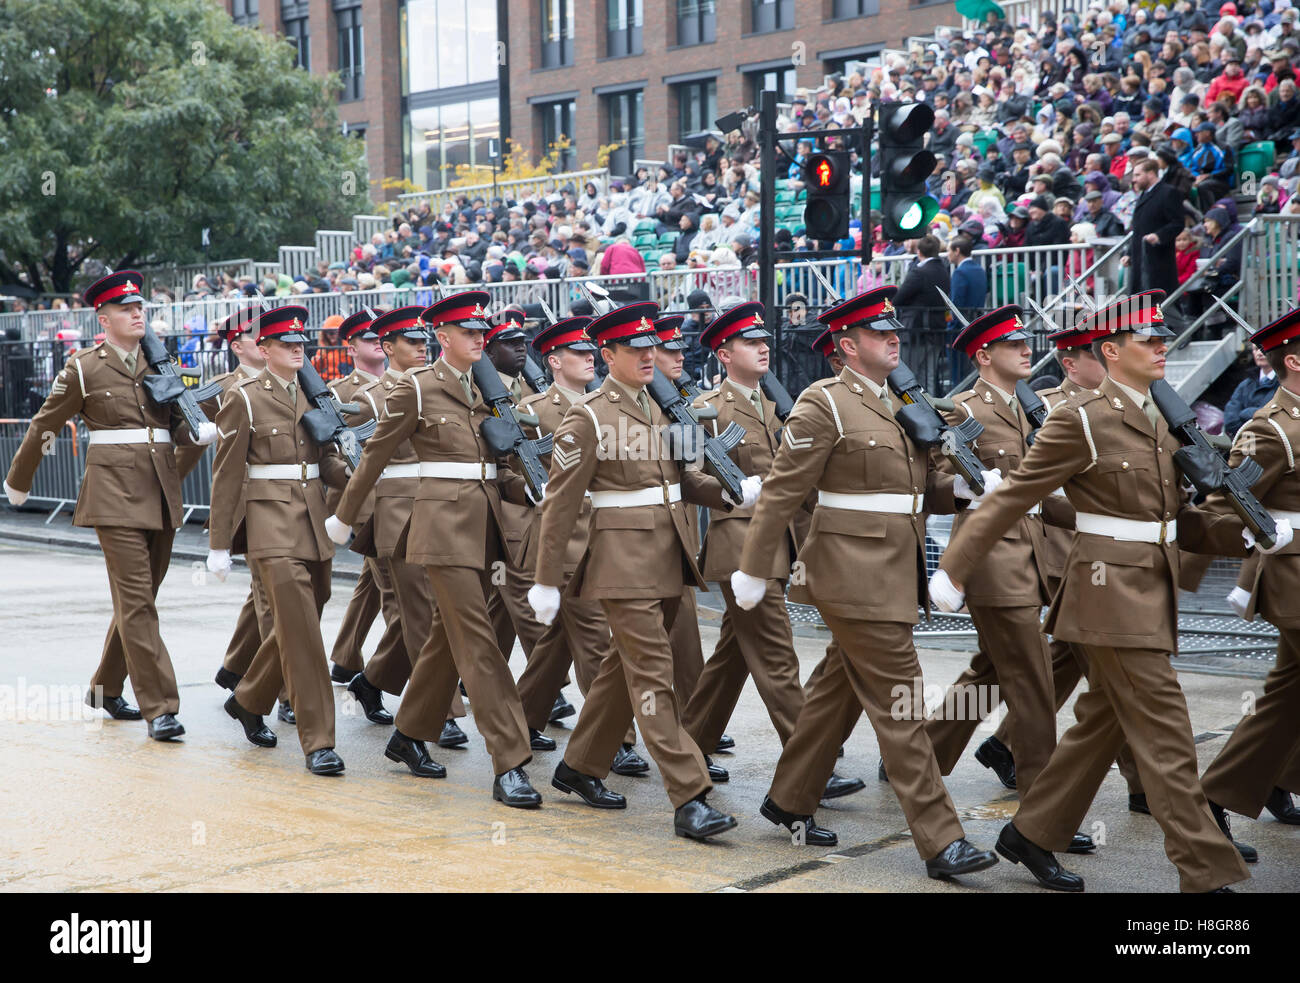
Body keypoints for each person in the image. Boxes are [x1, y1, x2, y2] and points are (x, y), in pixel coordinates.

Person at [930, 290, 1269, 893]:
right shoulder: (1080, 417)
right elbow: (1013, 495)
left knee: (1102, 723)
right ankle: (1206, 875)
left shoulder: (1162, 414)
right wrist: (953, 569)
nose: (1164, 346)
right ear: (1111, 351)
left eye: (1164, 337)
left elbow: (1174, 520)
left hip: (1149, 588)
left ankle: (1032, 834)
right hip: (1109, 594)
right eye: (1149, 339)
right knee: (1167, 738)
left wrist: (1239, 531)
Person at [732, 286, 1004, 880]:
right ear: (848, 347)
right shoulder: (822, 402)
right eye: (880, 334)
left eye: (894, 331)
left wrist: (954, 488)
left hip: (893, 569)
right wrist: (753, 569)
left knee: (836, 691)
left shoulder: (903, 401)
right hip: (850, 574)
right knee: (901, 706)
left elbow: (911, 489)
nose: (894, 338)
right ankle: (941, 839)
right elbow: (782, 490)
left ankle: (790, 799)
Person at [528, 301, 757, 840]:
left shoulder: (662, 408)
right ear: (607, 354)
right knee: (654, 677)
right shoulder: (587, 417)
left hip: (668, 554)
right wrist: (545, 578)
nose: (649, 354)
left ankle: (580, 765)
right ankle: (690, 795)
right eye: (635, 348)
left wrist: (732, 491)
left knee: (619, 673)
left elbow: (683, 482)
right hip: (619, 563)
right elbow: (559, 504)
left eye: (651, 345)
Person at [325, 292, 542, 806]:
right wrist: (343, 518)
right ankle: (509, 760)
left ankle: (408, 733)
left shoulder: (492, 390)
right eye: (469, 332)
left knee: (448, 639)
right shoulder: (416, 390)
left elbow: (499, 466)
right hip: (440, 532)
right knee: (480, 644)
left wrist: (528, 487)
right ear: (442, 338)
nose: (479, 339)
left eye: (481, 332)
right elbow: (374, 456)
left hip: (488, 529)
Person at [4, 271, 217, 741]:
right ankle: (160, 707)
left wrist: (198, 432)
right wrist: (18, 482)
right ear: (103, 319)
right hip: (112, 495)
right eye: (126, 309)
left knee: (139, 601)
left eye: (140, 307)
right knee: (138, 601)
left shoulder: (161, 363)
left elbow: (174, 427)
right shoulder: (84, 367)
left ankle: (104, 689)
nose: (138, 313)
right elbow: (45, 425)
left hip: (161, 491)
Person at [919, 306, 1096, 854]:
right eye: (1012, 344)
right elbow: (930, 481)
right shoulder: (960, 409)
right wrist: (967, 490)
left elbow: (1042, 492)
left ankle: (921, 756)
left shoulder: (1029, 407)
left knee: (993, 671)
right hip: (992, 558)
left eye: (1026, 343)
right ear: (983, 355)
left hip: (1035, 553)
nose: (1026, 350)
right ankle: (1046, 816)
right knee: (1035, 685)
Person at [681, 302, 864, 800]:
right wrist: (731, 491)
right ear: (724, 353)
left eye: (765, 341)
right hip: (739, 540)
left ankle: (687, 747)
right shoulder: (700, 407)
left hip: (778, 540)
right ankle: (812, 766)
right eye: (750, 342)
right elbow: (683, 476)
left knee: (733, 658)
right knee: (777, 656)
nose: (764, 348)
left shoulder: (777, 404)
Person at [207, 305, 351, 775]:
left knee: (311, 607)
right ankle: (319, 742)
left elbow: (325, 462)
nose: (297, 349)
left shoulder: (313, 394)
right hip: (269, 522)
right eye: (286, 344)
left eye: (300, 343)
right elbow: (226, 475)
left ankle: (249, 698)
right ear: (263, 349)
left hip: (312, 516)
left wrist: (357, 473)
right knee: (304, 633)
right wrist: (218, 543)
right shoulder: (244, 396)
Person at [510, 317, 648, 775]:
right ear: (553, 361)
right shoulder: (531, 410)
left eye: (592, 352)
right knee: (595, 640)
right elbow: (517, 473)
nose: (590, 358)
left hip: (604, 533)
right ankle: (617, 740)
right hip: (564, 537)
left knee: (556, 644)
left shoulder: (611, 405)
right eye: (578, 353)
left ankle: (522, 719)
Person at [1200, 309, 1300, 832]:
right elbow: (1227, 502)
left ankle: (1247, 787)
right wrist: (1270, 534)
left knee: (1289, 691)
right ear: (1293, 360)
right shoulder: (1271, 428)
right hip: (1292, 577)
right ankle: (1217, 797)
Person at [325, 310, 390, 683]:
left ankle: (346, 658)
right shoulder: (340, 391)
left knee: (372, 583)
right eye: (367, 337)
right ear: (351, 347)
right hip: (367, 501)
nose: (376, 342)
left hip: (399, 498)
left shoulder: (405, 383)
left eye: (379, 336)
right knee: (396, 594)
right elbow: (337, 454)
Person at [1124, 159, 1185, 295]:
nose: (1134, 180)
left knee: (1158, 303)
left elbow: (1178, 223)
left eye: (1138, 175)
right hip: (1140, 259)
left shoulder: (1168, 192)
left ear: (1151, 174)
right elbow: (1138, 228)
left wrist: (1159, 236)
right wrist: (1129, 253)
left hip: (1159, 259)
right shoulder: (1143, 195)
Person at [1222, 343, 1280, 436]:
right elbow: (1230, 420)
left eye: (1263, 348)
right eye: (1256, 349)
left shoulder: (1286, 382)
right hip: (1245, 442)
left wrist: (1246, 413)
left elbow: (1278, 417)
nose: (1259, 353)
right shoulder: (1245, 385)